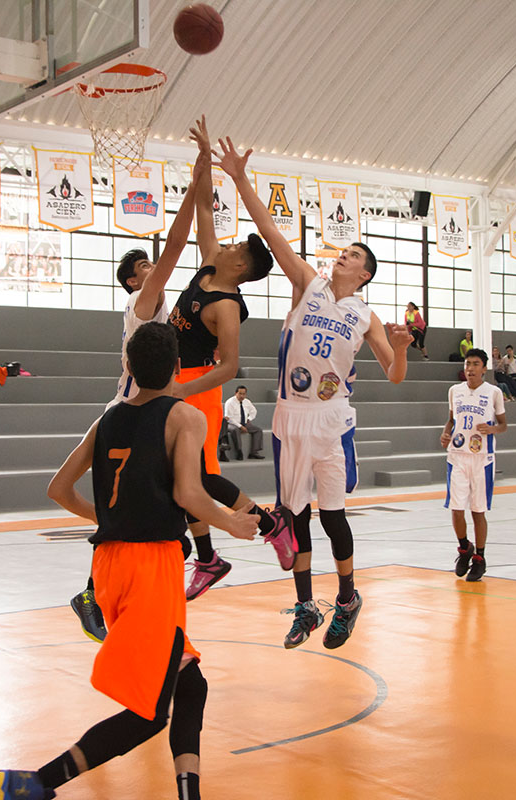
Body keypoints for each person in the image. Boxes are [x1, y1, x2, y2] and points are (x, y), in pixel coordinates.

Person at [0, 323, 260, 800]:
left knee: (189, 681)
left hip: (108, 567)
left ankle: (188, 791)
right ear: (178, 368)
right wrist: (231, 522)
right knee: (149, 714)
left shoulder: (109, 417)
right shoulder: (184, 416)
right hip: (150, 567)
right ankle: (34, 783)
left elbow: (58, 489)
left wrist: (111, 515)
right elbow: (188, 492)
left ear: (129, 369)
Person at [220, 134, 413, 649]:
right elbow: (270, 231)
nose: (339, 257)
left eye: (349, 254)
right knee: (294, 517)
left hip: (331, 420)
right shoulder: (306, 282)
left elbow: (395, 376)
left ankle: (347, 599)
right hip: (290, 415)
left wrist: (400, 345)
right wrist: (240, 178)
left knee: (333, 517)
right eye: (341, 252)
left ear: (364, 273)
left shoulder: (366, 315)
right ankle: (306, 606)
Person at [71, 120, 208, 643]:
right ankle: (95, 591)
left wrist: (203, 179)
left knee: (159, 508)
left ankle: (170, 566)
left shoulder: (158, 310)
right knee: (161, 499)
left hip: (147, 409)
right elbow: (176, 245)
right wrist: (195, 180)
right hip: (130, 416)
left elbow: (187, 247)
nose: (155, 269)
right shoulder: (143, 302)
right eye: (145, 267)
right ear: (134, 280)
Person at [169, 120, 296, 601]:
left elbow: (230, 367)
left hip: (199, 388)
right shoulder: (208, 264)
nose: (230, 244)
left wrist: (182, 390)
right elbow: (204, 208)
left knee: (198, 478)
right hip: (178, 383)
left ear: (240, 266)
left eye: (238, 246)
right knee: (183, 479)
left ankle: (268, 526)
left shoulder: (226, 307)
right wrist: (203, 163)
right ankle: (208, 558)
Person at [440, 348, 507, 582]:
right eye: (468, 363)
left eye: (475, 364)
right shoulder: (454, 391)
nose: (470, 368)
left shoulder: (494, 392)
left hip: (482, 457)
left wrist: (493, 429)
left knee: (478, 510)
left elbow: (503, 425)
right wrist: (445, 433)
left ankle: (479, 557)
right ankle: (463, 548)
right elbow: (451, 420)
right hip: (457, 455)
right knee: (456, 508)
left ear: (484, 368)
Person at [223, 385, 264, 459]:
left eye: (244, 394)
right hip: (231, 424)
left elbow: (254, 411)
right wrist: (240, 426)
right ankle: (239, 451)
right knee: (235, 430)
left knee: (258, 430)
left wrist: (249, 419)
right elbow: (229, 418)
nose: (242, 396)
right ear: (236, 393)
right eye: (240, 393)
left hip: (244, 423)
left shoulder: (247, 401)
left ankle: (253, 452)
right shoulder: (230, 402)